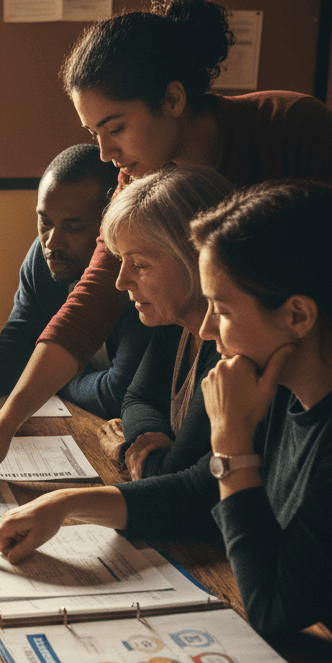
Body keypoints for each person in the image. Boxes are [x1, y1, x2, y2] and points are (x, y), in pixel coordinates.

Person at [0, 0, 332, 486]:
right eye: (93, 131)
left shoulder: (290, 127)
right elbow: (89, 305)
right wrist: (3, 427)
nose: (105, 150)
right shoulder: (138, 176)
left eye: (114, 127)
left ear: (173, 99)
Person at [0, 180, 332, 642]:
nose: (209, 329)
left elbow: (272, 608)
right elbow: (203, 492)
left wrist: (231, 443)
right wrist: (65, 505)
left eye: (224, 310)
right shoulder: (283, 385)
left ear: (297, 316)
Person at [0, 144, 149, 419]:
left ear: (111, 225)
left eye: (74, 227)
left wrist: (50, 378)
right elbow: (20, 342)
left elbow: (117, 393)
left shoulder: (136, 276)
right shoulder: (43, 257)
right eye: (45, 222)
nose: (51, 241)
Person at [100, 166, 231, 479]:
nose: (121, 282)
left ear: (196, 258)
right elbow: (136, 398)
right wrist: (149, 439)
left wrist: (125, 449)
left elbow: (176, 474)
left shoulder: (228, 346)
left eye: (140, 265)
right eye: (122, 261)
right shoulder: (176, 322)